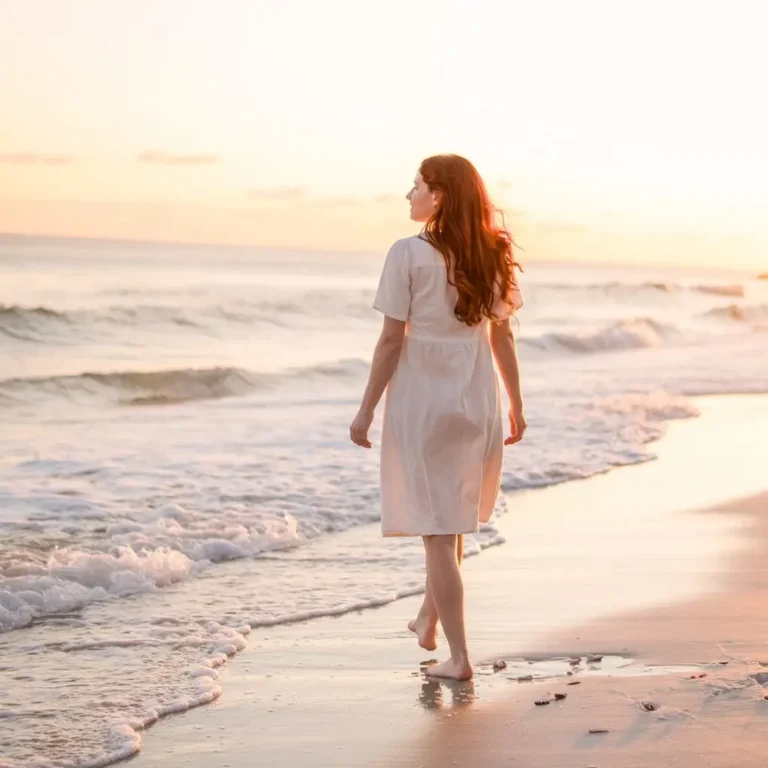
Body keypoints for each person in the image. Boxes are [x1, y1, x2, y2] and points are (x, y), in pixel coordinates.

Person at [349, 154, 526, 681]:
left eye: (417, 186)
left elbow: (389, 340)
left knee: (436, 530)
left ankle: (460, 658)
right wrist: (516, 403)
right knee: (451, 521)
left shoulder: (407, 253)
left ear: (440, 195)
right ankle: (429, 617)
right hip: (476, 394)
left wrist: (365, 410)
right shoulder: (492, 251)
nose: (410, 195)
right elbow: (502, 335)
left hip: (425, 397)